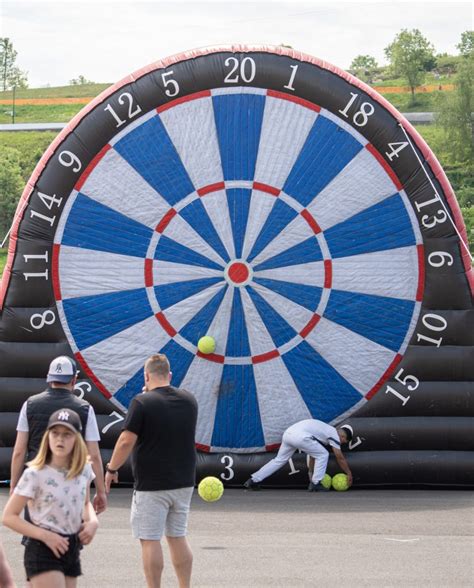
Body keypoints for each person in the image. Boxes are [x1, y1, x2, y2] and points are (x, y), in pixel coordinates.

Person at [104, 353, 198, 588]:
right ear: (170, 375)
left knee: (150, 539)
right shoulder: (189, 400)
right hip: (184, 480)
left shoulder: (142, 402)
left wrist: (112, 468)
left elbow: (126, 440)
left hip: (152, 484)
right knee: (177, 536)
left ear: (146, 376)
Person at [2, 408, 99, 587]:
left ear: (77, 439)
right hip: (42, 547)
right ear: (48, 436)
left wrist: (93, 522)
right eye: (55, 433)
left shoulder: (83, 470)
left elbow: (84, 503)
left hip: (71, 546)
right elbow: (8, 517)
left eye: (67, 434)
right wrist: (46, 536)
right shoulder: (34, 474)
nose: (60, 439)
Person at [10, 356, 107, 514]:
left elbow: (19, 451)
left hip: (38, 483)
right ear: (74, 380)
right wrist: (101, 491)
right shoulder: (85, 408)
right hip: (72, 484)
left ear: (49, 379)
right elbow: (94, 455)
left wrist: (15, 486)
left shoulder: (29, 404)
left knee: (35, 534)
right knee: (69, 535)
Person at [244, 419, 354, 491]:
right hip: (301, 436)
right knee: (324, 454)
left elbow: (313, 454)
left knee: (279, 460)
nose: (341, 444)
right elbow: (339, 457)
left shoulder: (325, 430)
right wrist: (349, 473)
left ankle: (253, 480)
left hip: (288, 434)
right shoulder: (334, 434)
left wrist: (310, 472)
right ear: (343, 437)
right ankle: (316, 484)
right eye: (343, 442)